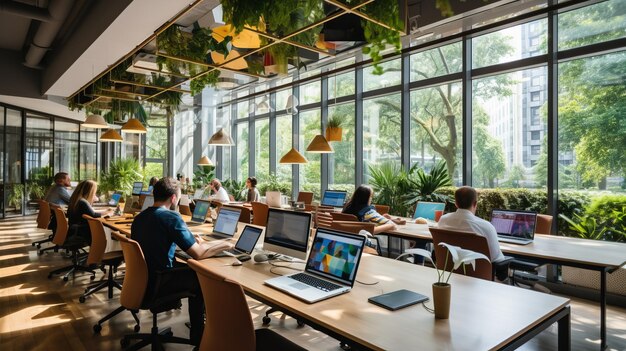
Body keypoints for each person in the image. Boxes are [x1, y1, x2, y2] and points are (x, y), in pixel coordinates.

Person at [131, 177, 218, 346]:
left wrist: (190, 238)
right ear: (173, 198)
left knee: (190, 268)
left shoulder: (140, 218)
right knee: (201, 277)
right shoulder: (171, 217)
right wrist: (225, 244)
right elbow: (198, 254)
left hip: (142, 280)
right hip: (159, 281)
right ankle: (198, 338)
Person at [437, 186, 506, 278]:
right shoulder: (486, 227)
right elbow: (495, 258)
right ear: (475, 204)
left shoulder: (443, 220)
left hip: (450, 274)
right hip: (480, 278)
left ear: (456, 203)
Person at [67, 180, 111, 245]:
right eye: (94, 191)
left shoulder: (77, 200)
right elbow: (93, 215)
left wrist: (105, 211)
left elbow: (91, 212)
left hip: (76, 229)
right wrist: (109, 214)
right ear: (90, 191)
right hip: (84, 231)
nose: (95, 193)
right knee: (111, 231)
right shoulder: (83, 202)